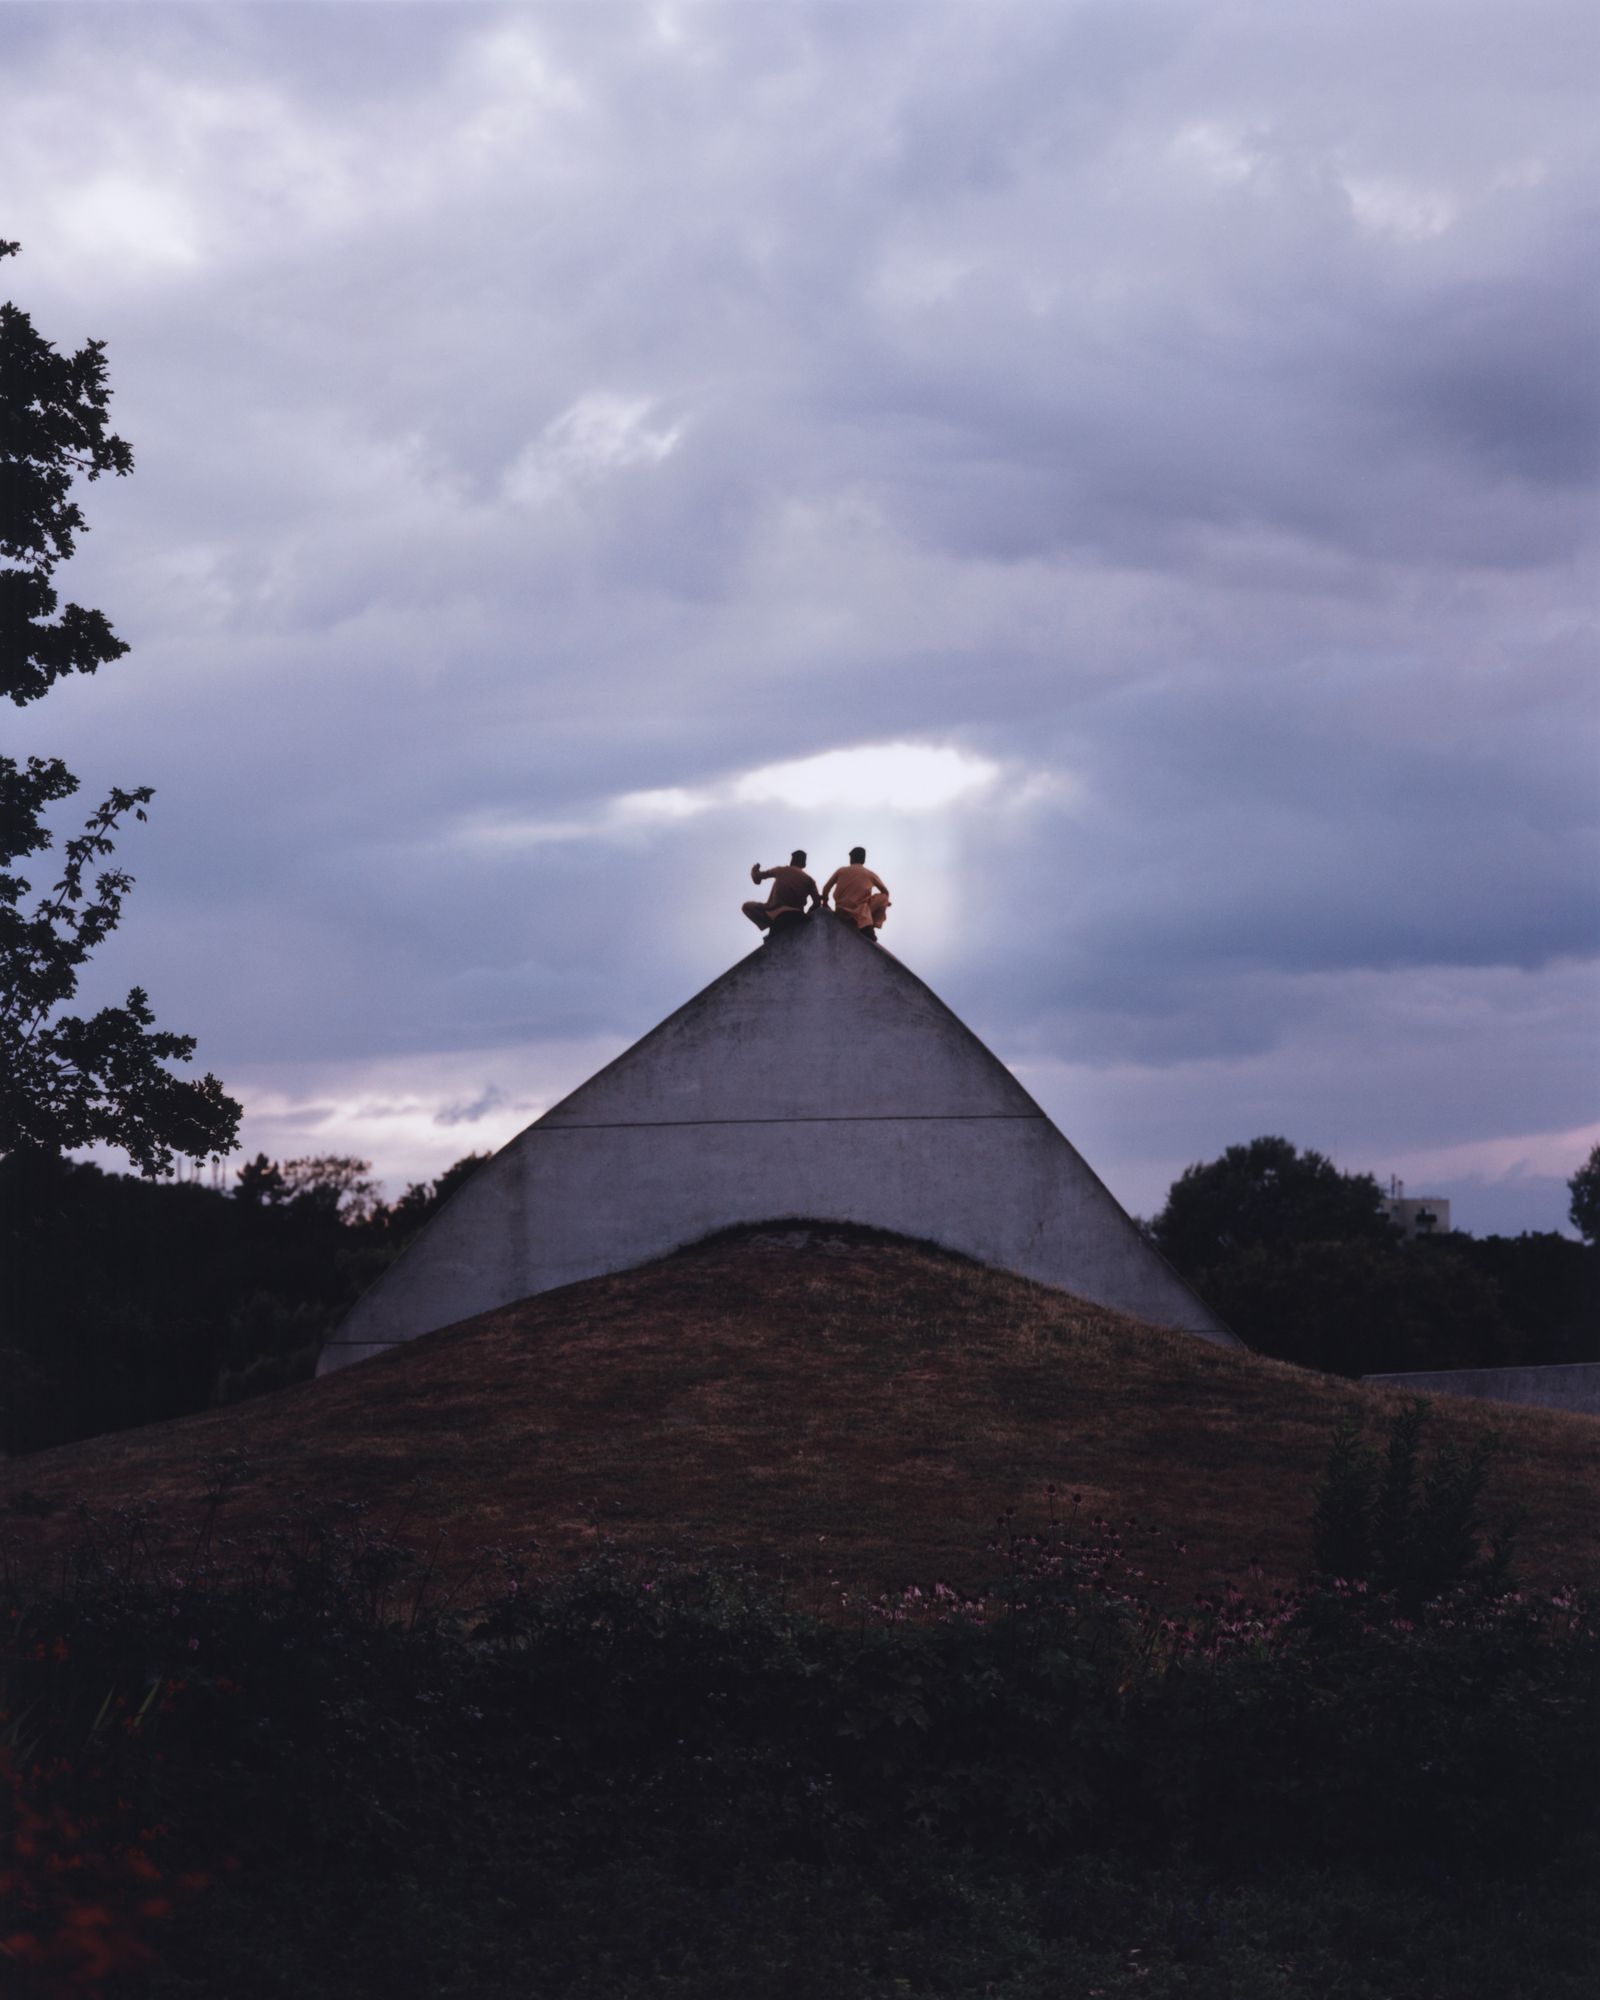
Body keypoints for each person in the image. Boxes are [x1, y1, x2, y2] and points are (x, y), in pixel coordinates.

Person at [742, 850, 821, 933]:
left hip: (774, 911)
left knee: (747, 906)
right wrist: (808, 914)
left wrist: (754, 870)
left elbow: (757, 878)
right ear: (804, 864)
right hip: (797, 913)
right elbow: (817, 903)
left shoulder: (781, 870)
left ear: (792, 860)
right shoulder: (809, 880)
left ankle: (771, 922)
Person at [820, 847, 891, 939]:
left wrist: (825, 903)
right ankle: (869, 925)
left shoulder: (841, 870)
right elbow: (885, 892)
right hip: (860, 913)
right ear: (864, 860)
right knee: (884, 898)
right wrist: (884, 903)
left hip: (841, 910)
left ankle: (866, 922)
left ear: (851, 858)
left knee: (864, 905)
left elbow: (826, 888)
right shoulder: (870, 874)